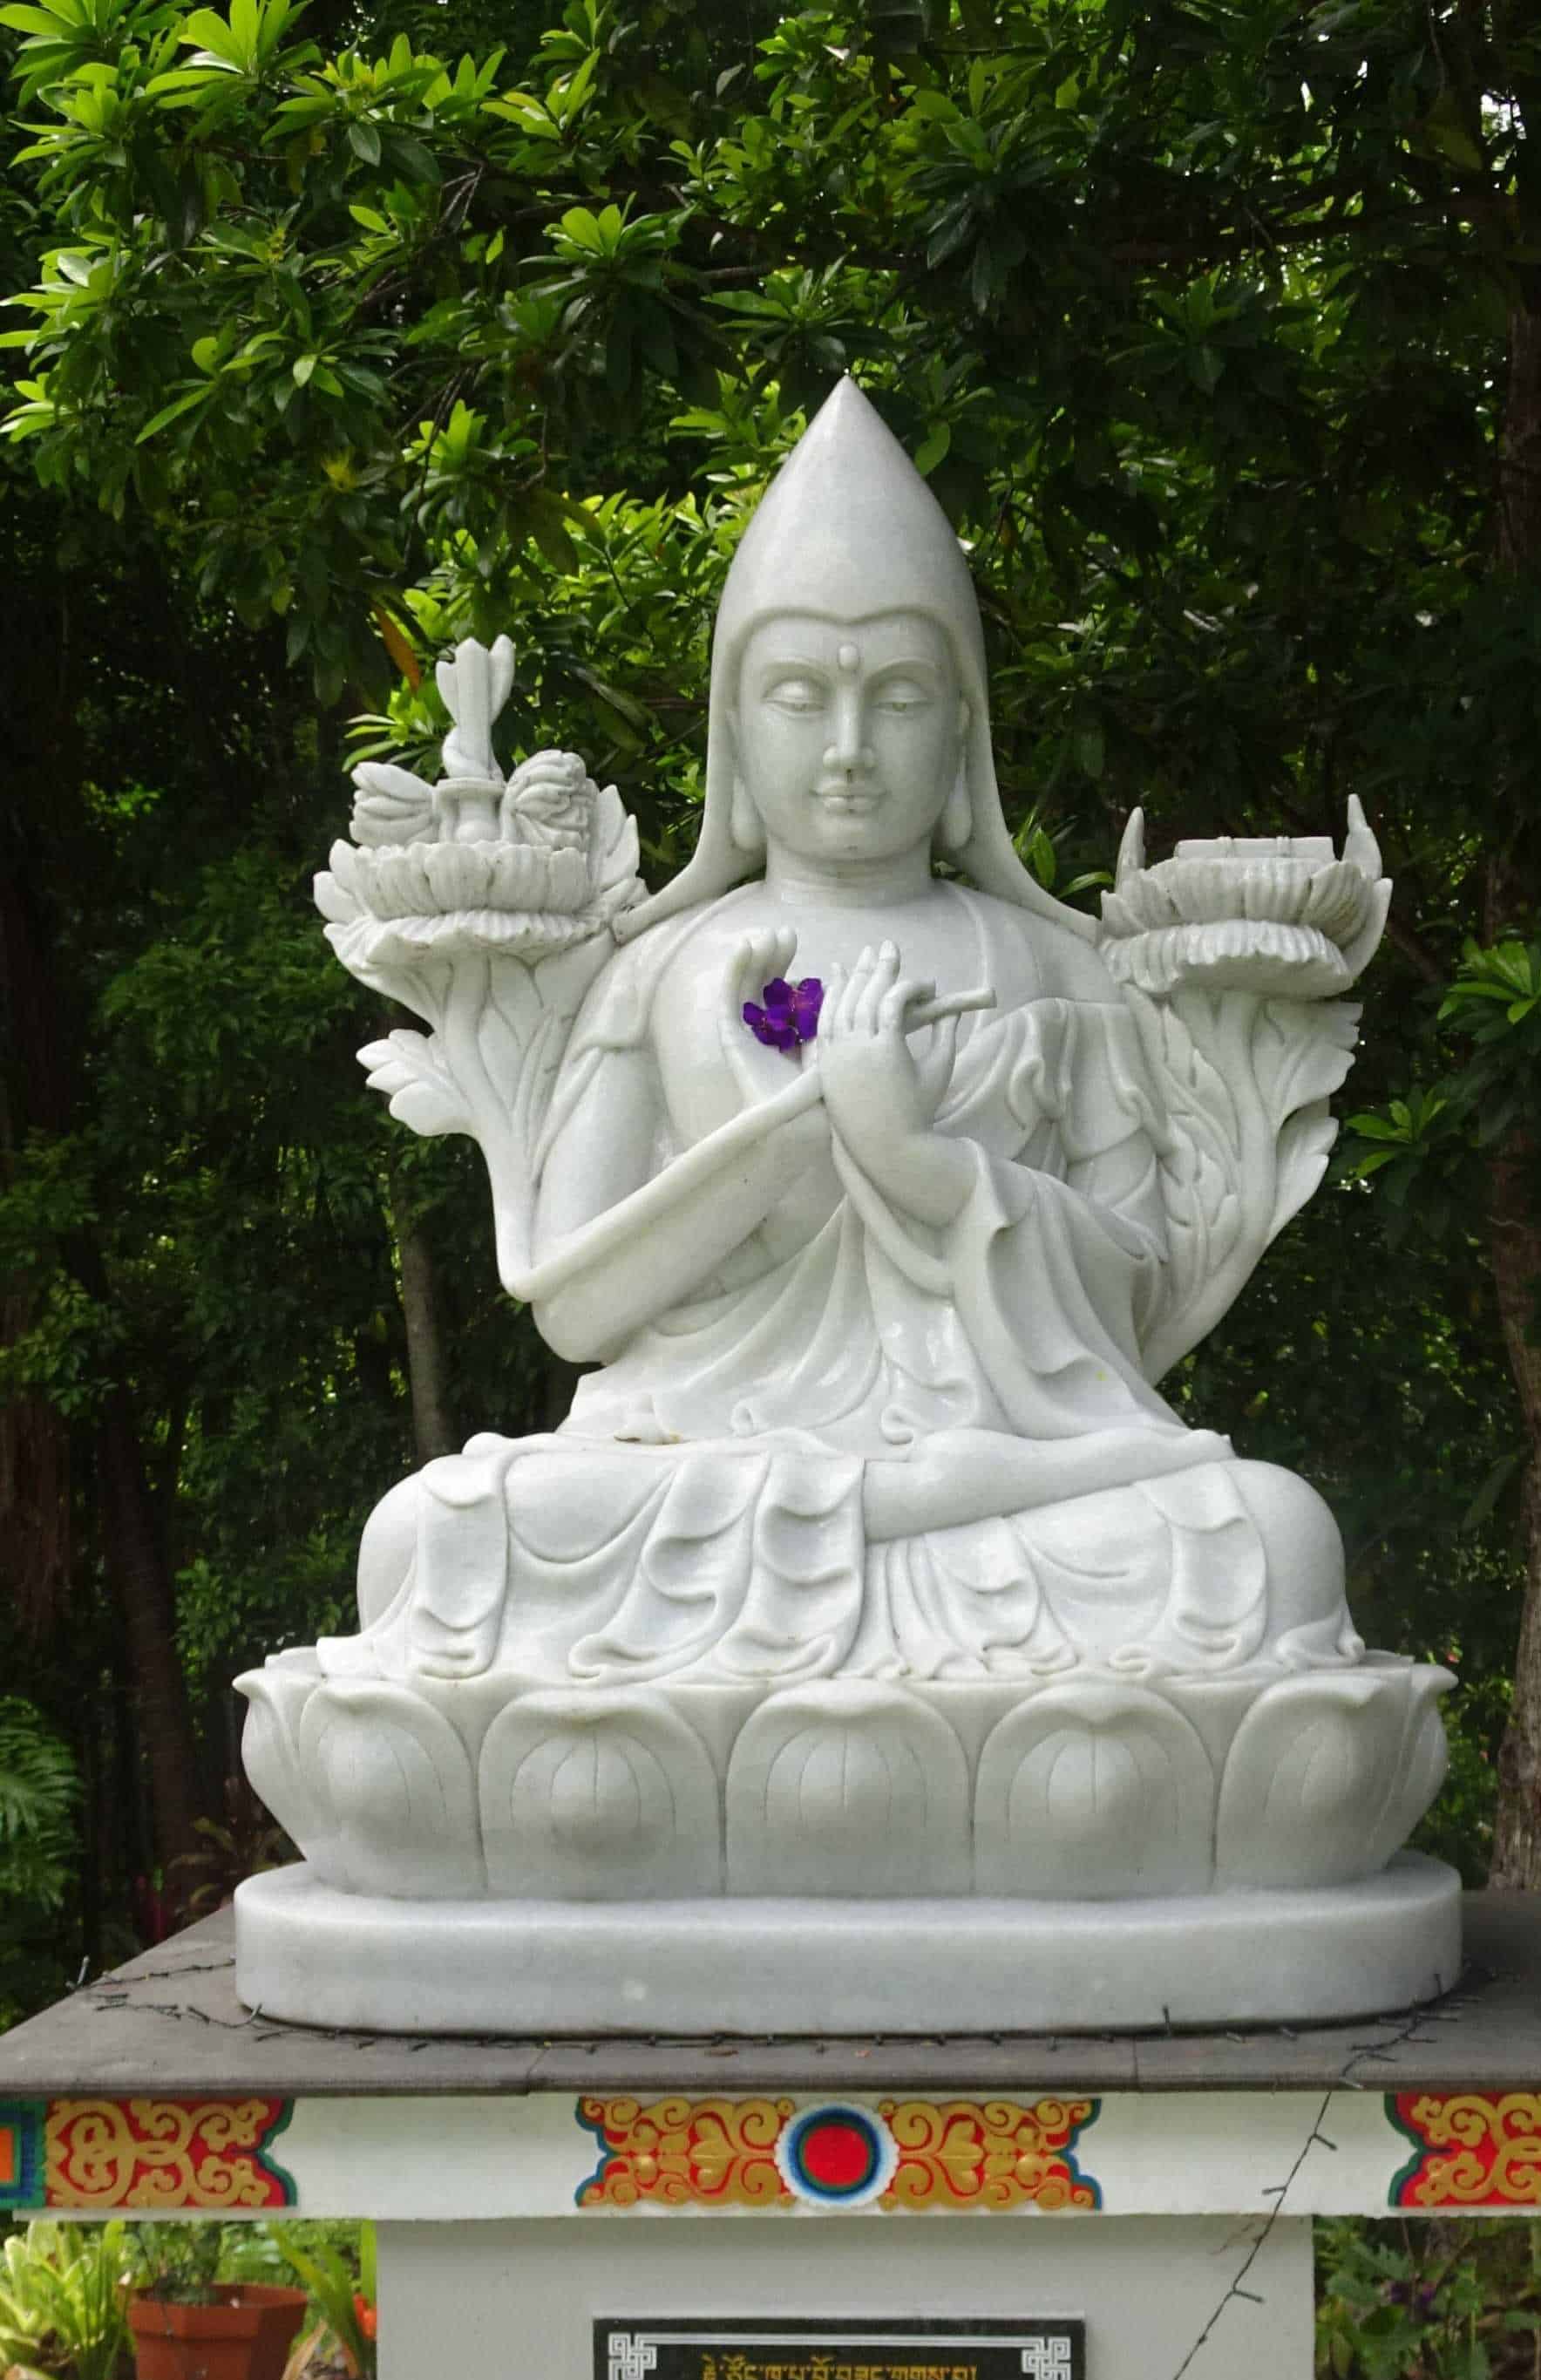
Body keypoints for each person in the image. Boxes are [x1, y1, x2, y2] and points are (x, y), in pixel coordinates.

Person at [335, 382, 1357, 1695]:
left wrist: (923, 1164)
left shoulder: (1053, 968)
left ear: (967, 728)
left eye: (902, 696)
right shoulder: (662, 971)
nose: (850, 748)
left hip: (1006, 1480)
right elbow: (581, 1311)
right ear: (734, 730)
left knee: (1273, 1539)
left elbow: (1140, 1286)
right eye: (801, 694)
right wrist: (779, 1127)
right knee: (430, 1539)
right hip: (698, 1473)